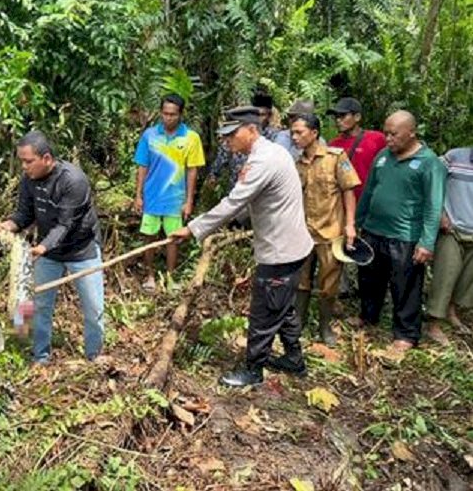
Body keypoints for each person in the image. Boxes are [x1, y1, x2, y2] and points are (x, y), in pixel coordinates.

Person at [172, 106, 313, 387]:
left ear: (251, 130)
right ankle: (294, 361)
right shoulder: (270, 153)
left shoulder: (263, 161)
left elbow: (233, 202)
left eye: (232, 135)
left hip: (281, 251)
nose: (227, 142)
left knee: (264, 310)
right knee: (282, 308)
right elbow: (254, 201)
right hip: (291, 247)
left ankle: (253, 370)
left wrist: (193, 229)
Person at [0, 131, 104, 365]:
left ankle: (94, 356)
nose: (24, 167)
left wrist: (41, 248)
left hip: (81, 250)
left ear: (46, 158)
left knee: (93, 309)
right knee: (39, 306)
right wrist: (8, 226)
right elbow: (24, 214)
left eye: (28, 161)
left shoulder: (73, 180)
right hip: (49, 251)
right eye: (21, 161)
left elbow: (66, 224)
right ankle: (40, 356)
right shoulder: (28, 180)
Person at [356, 111, 446, 352]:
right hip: (374, 230)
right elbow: (368, 190)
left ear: (411, 133)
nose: (388, 138)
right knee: (369, 278)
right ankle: (368, 316)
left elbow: (433, 205)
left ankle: (406, 333)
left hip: (405, 236)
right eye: (385, 133)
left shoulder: (429, 163)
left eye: (393, 134)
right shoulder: (383, 157)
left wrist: (426, 242)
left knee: (404, 286)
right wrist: (357, 221)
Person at [291, 114, 361, 346]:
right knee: (301, 280)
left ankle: (324, 327)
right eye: (293, 132)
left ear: (314, 133)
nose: (295, 137)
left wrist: (350, 225)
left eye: (299, 132)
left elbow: (348, 190)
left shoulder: (335, 158)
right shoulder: (297, 162)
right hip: (303, 232)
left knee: (329, 283)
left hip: (330, 231)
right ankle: (298, 323)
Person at [134, 93, 205, 291]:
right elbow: (142, 166)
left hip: (175, 199)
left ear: (181, 114)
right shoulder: (149, 135)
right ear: (160, 113)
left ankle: (170, 277)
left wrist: (189, 201)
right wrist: (138, 195)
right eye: (165, 114)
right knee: (149, 236)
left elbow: (192, 170)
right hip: (151, 197)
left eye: (173, 114)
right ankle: (149, 276)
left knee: (173, 238)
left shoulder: (191, 138)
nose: (168, 118)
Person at [425, 145, 473, 345]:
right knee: (446, 274)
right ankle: (433, 324)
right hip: (451, 228)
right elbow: (431, 178)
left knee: (466, 278)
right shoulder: (455, 157)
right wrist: (440, 212)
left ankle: (451, 312)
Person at [207, 92, 280, 195]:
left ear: (269, 115)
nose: (259, 119)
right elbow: (224, 152)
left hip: (260, 191)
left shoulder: (274, 136)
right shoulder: (239, 132)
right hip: (236, 187)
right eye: (257, 115)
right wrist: (214, 174)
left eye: (262, 115)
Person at [327, 97, 386, 202]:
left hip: (370, 201)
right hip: (344, 203)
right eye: (336, 116)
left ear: (357, 117)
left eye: (343, 116)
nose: (338, 120)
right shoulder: (332, 145)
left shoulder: (376, 139)